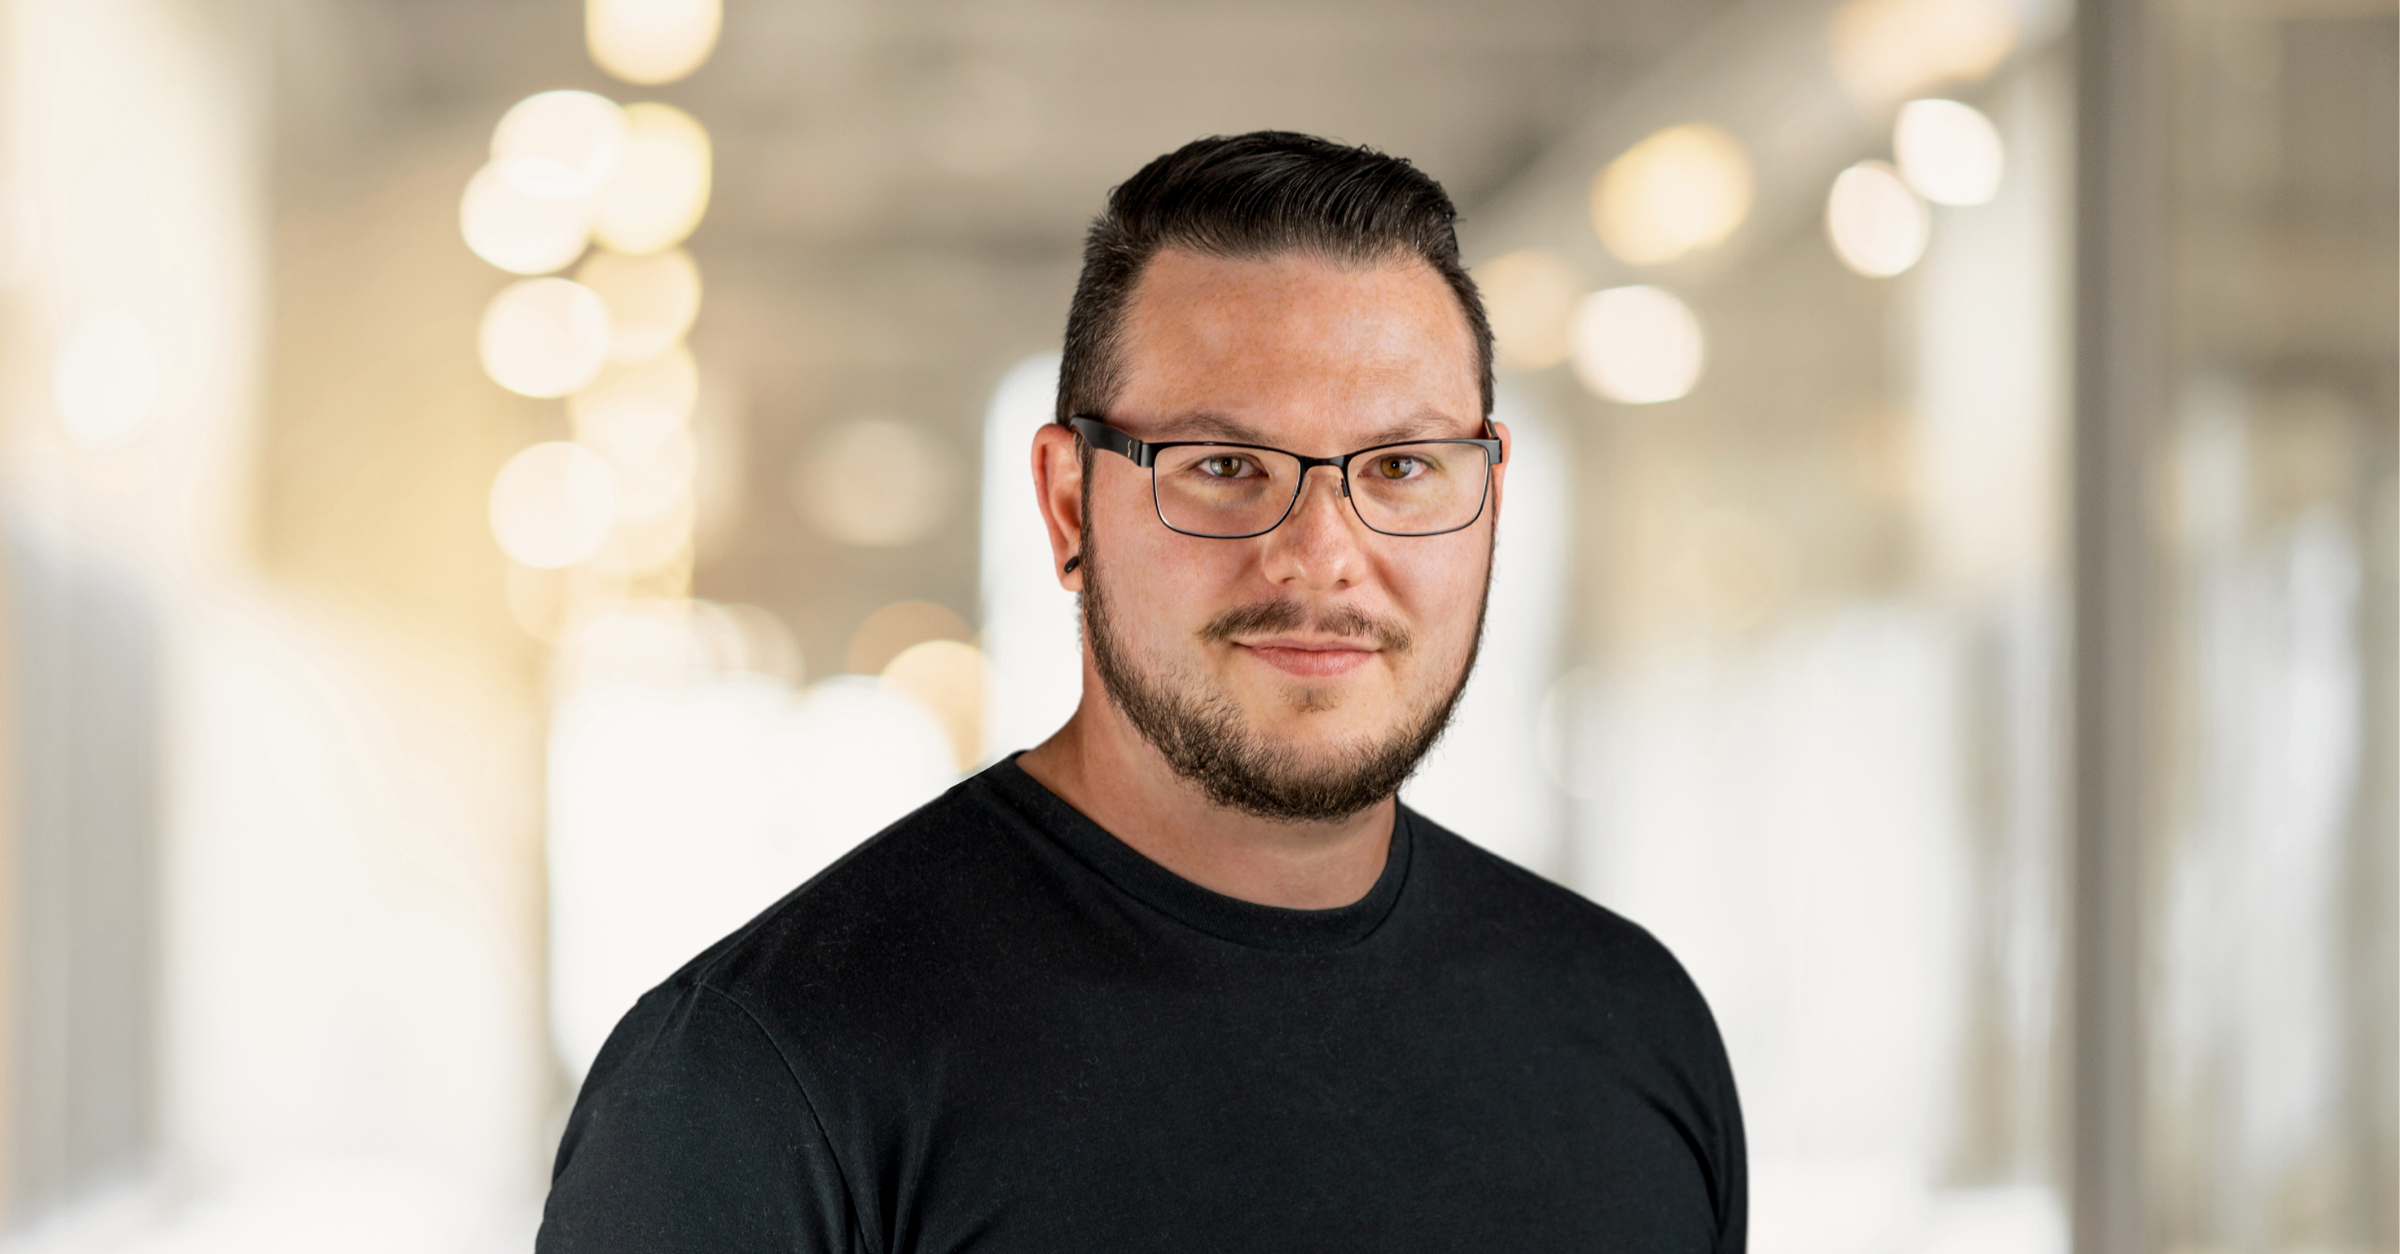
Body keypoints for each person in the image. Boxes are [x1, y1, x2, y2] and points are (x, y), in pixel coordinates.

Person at [537, 131, 1745, 1253]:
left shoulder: (1631, 1032)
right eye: (1223, 465)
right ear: (1071, 505)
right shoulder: (759, 1081)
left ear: (1489, 496)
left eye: (1400, 466)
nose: (1322, 554)